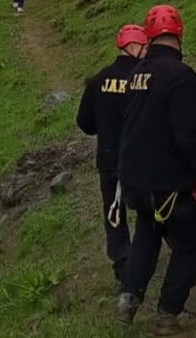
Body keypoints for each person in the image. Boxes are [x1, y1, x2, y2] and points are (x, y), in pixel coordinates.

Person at [116, 5, 196, 336]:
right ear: (180, 34)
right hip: (164, 183)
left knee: (147, 233)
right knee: (189, 242)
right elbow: (186, 136)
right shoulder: (181, 76)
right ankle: (170, 312)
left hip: (134, 177)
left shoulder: (138, 73)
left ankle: (128, 299)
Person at [76, 25, 149, 286]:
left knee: (113, 211)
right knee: (147, 209)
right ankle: (145, 258)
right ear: (136, 47)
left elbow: (84, 123)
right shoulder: (142, 80)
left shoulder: (98, 80)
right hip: (138, 158)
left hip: (108, 159)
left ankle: (123, 264)